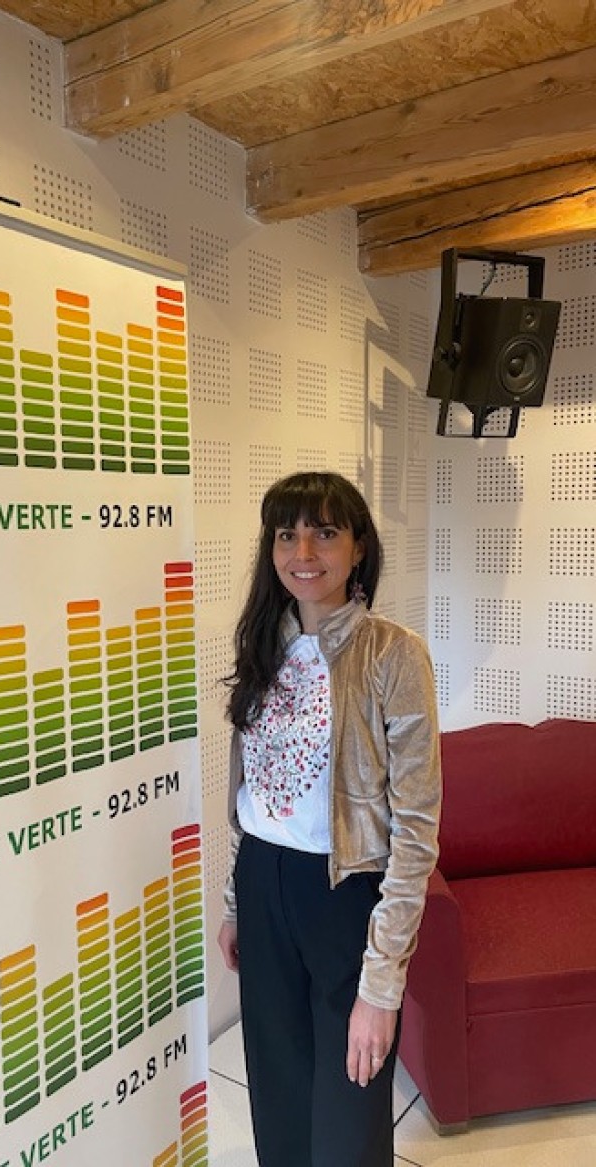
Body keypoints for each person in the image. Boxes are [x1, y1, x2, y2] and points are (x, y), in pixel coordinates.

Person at [217, 471, 441, 1167]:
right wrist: (236, 903)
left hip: (344, 895)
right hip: (263, 882)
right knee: (278, 1094)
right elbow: (253, 796)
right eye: (286, 534)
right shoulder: (262, 644)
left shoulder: (391, 652)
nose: (303, 551)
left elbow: (416, 828)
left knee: (349, 1108)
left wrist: (382, 984)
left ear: (358, 546)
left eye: (324, 532)